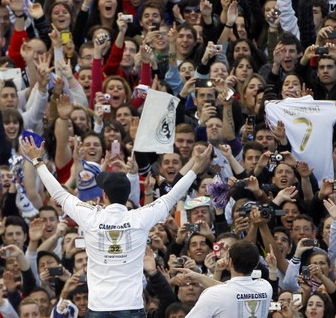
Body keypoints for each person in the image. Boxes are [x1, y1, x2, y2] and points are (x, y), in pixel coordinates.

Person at [20, 136, 212, 317]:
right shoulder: (140, 217)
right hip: (131, 307)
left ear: (104, 196)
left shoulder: (90, 216)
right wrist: (195, 169)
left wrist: (38, 161)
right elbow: (172, 196)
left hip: (98, 308)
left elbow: (58, 194)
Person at [185, 240, 273, 317]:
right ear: (256, 265)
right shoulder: (265, 287)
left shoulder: (214, 294)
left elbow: (231, 289)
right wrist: (199, 277)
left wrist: (199, 277)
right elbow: (235, 288)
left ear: (230, 262)